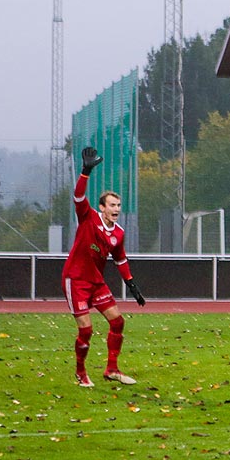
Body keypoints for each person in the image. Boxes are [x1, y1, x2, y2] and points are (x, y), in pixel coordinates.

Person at [63, 147, 146, 387]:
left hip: (96, 282)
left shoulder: (118, 233)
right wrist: (85, 171)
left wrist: (131, 284)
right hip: (75, 279)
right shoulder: (88, 217)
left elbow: (120, 259)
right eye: (112, 205)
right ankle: (81, 372)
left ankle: (112, 369)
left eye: (119, 205)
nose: (116, 209)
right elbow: (78, 196)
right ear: (102, 207)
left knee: (118, 321)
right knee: (86, 330)